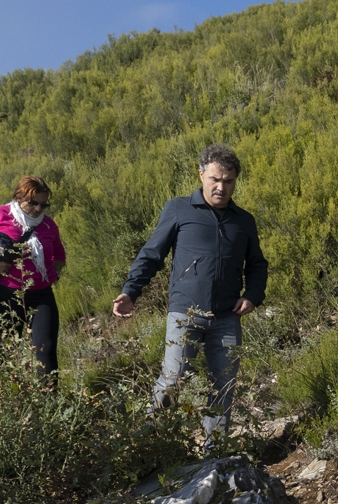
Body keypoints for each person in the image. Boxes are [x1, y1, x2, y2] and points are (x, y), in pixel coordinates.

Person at [113, 144, 268, 442]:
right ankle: (144, 442)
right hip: (186, 313)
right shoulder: (179, 208)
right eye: (215, 179)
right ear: (201, 175)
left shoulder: (244, 220)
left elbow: (258, 264)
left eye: (228, 181)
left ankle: (215, 453)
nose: (221, 187)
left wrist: (253, 295)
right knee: (173, 380)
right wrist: (130, 291)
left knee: (223, 386)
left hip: (226, 317)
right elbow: (152, 254)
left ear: (236, 181)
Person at [0, 176, 66, 376]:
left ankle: (49, 403)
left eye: (44, 204)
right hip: (5, 294)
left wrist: (56, 273)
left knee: (46, 350)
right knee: (4, 352)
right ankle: (5, 402)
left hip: (41, 294)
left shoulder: (48, 225)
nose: (38, 209)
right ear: (18, 197)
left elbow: (59, 254)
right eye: (33, 203)